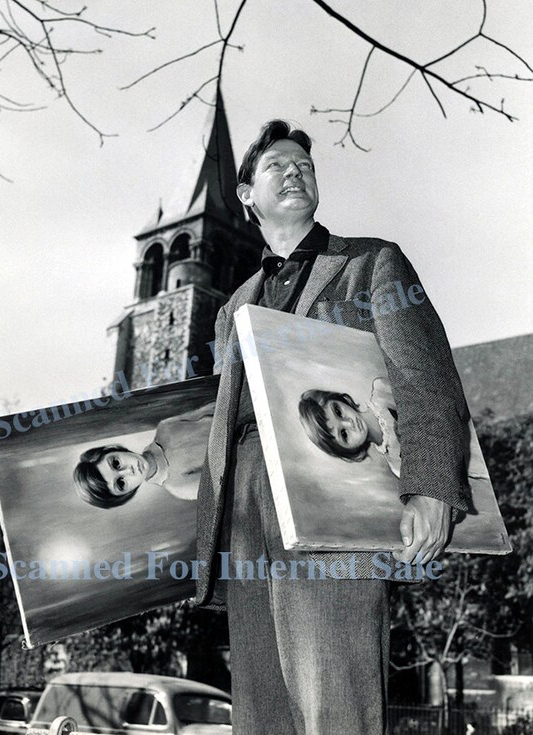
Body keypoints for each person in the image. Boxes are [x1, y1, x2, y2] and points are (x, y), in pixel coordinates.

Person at [195, 120, 471, 734]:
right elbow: (219, 419)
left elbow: (424, 377)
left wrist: (430, 488)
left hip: (333, 512)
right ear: (245, 194)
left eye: (305, 166)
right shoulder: (232, 307)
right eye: (277, 166)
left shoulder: (371, 263)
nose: (295, 172)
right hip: (245, 514)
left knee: (335, 700)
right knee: (261, 712)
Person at [74, 402, 214, 508]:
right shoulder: (179, 486)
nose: (129, 471)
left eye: (116, 463)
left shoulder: (165, 427)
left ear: (114, 450)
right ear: (127, 494)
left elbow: (212, 408)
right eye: (121, 483)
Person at [299, 376, 401, 477]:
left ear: (339, 400)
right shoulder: (396, 464)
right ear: (346, 449)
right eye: (344, 434)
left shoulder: (382, 391)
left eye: (338, 412)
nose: (349, 423)